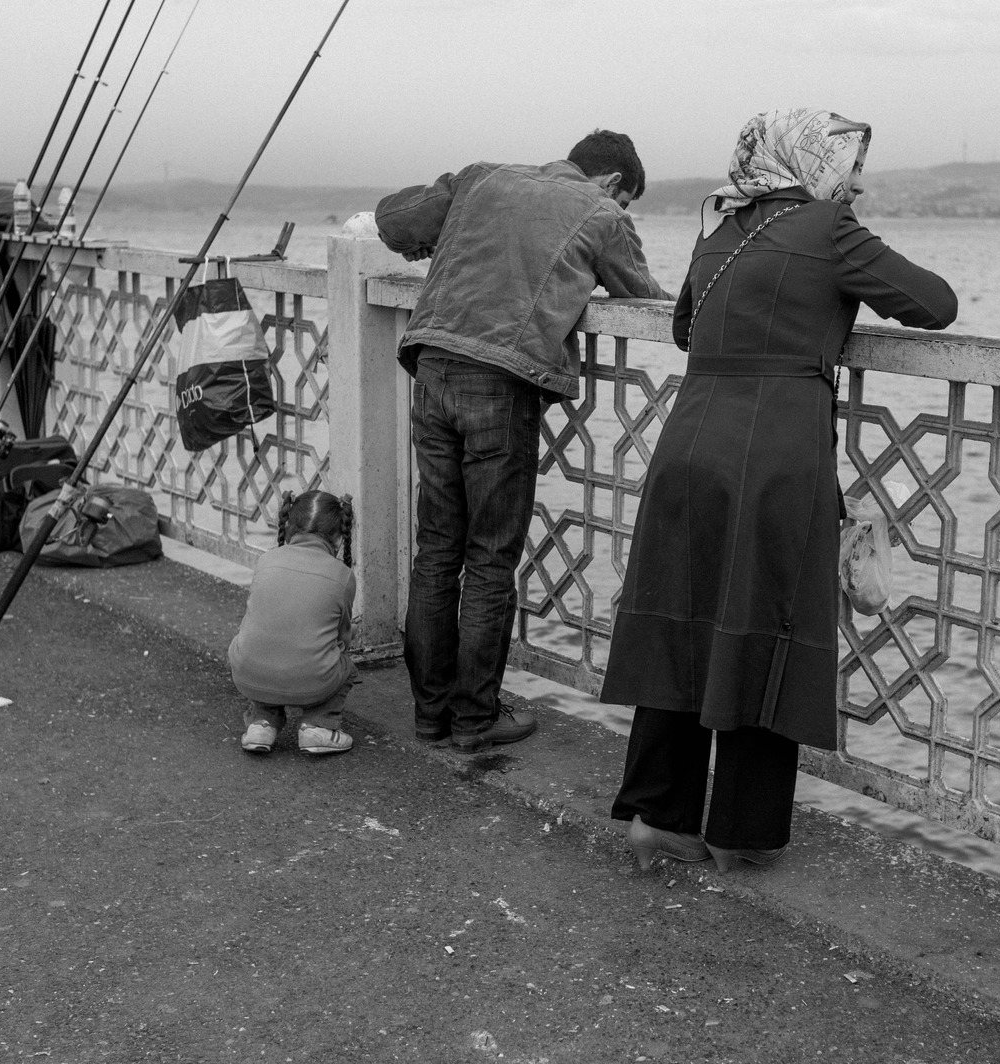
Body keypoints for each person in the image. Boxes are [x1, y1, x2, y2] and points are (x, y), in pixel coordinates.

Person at [599, 109, 958, 871]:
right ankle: (741, 833)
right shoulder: (828, 228)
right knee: (766, 626)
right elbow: (935, 304)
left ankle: (658, 816)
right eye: (849, 164)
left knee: (683, 624)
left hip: (691, 442)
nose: (857, 181)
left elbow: (685, 327)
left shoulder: (720, 230)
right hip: (774, 453)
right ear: (812, 164)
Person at [376, 130, 672, 754]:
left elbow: (394, 220)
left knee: (436, 551)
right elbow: (647, 299)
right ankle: (474, 719)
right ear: (615, 184)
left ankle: (430, 714)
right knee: (488, 560)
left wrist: (443, 238)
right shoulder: (600, 213)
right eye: (629, 203)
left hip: (430, 366)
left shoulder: (483, 175)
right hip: (499, 385)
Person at [229, 490, 358, 756]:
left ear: (288, 527)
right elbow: (342, 639)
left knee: (264, 645)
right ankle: (319, 725)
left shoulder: (265, 560)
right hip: (313, 682)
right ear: (338, 536)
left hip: (247, 672)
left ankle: (261, 723)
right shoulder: (342, 575)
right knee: (347, 667)